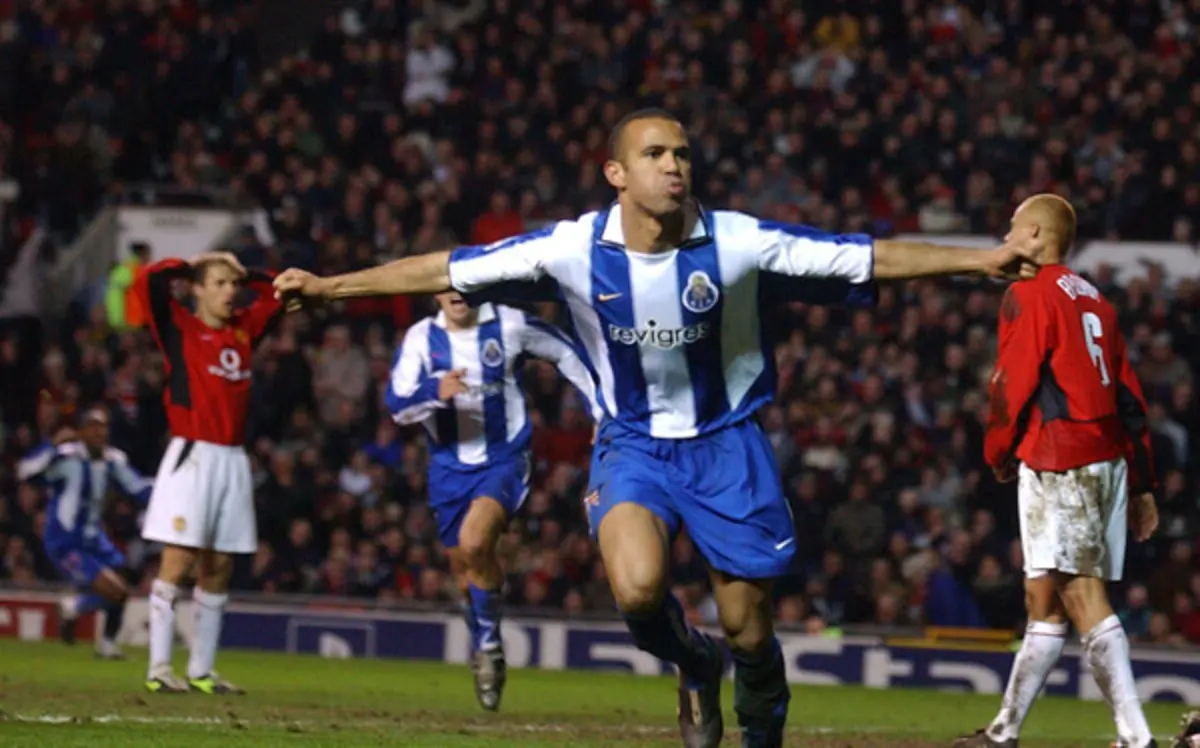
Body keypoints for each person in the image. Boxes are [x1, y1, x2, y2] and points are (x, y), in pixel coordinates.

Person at [274, 108, 1041, 748]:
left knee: (750, 631)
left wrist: (979, 263)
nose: (674, 165)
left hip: (727, 445)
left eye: (681, 152)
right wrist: (332, 288)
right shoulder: (570, 250)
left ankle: (756, 721)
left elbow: (865, 258)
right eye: (654, 153)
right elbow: (446, 265)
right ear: (617, 174)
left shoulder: (739, 242)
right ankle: (693, 665)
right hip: (633, 446)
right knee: (639, 593)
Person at [954, 194, 1159, 748]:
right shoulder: (1097, 301)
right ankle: (1004, 731)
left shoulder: (1029, 293)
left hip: (1060, 456)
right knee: (1041, 599)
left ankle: (1136, 738)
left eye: (1014, 229)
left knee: (1080, 594)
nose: (1006, 237)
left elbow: (1010, 384)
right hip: (1107, 456)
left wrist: (998, 451)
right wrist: (1141, 485)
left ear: (1039, 235)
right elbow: (1131, 398)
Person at [387, 290, 601, 711]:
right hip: (448, 470)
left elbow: (566, 352)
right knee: (464, 570)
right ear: (435, 293)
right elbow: (396, 403)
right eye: (446, 287)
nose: (456, 295)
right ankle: (487, 633)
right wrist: (435, 388)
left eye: (463, 286)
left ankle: (488, 648)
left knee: (474, 541)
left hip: (504, 459)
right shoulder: (420, 338)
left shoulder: (509, 324)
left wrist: (599, 410)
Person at [135, 250, 281, 694]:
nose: (230, 292)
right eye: (218, 283)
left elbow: (276, 291)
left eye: (233, 285)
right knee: (178, 561)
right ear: (197, 289)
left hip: (232, 460)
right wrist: (194, 263)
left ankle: (201, 670)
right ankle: (160, 667)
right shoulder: (181, 328)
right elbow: (148, 282)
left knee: (219, 566)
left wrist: (246, 272)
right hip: (192, 456)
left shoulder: (243, 332)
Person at [16, 405, 152, 660]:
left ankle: (105, 642)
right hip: (65, 541)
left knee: (123, 586)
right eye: (93, 426)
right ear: (81, 431)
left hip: (95, 539)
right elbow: (26, 472)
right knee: (115, 591)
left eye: (103, 426)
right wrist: (50, 445)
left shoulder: (113, 461)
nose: (99, 432)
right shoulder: (66, 459)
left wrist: (171, 491)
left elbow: (138, 489)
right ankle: (74, 607)